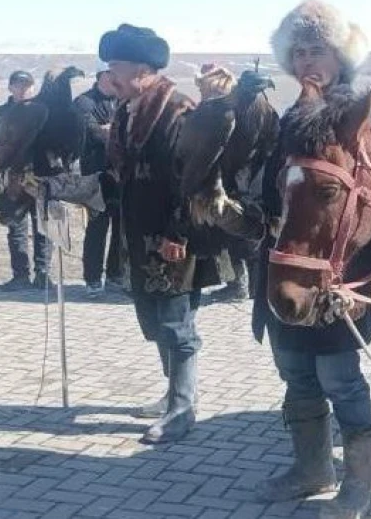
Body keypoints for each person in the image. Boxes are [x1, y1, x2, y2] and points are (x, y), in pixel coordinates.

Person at [252, 0, 371, 519]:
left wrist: (358, 283)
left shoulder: (359, 119)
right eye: (299, 52)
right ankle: (312, 469)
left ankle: (359, 488)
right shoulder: (292, 118)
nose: (308, 61)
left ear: (340, 54)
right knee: (296, 374)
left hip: (336, 280)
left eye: (318, 50)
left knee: (340, 381)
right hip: (287, 271)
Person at [99, 23, 231, 445]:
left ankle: (182, 409)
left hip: (175, 239)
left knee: (176, 326)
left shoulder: (177, 111)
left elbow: (192, 180)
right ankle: (172, 393)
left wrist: (178, 233)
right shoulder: (128, 111)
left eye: (115, 67)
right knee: (155, 321)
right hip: (139, 237)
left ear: (141, 70)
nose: (110, 76)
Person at [0, 70, 51, 291]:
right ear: (10, 87)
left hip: (40, 175)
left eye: (27, 85)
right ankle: (20, 275)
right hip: (12, 176)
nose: (23, 90)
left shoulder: (43, 111)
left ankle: (43, 274)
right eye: (19, 85)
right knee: (16, 227)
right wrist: (2, 153)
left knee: (43, 226)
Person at [194, 63, 254, 301]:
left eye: (204, 88)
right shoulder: (220, 111)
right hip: (221, 180)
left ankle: (239, 284)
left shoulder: (228, 114)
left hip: (229, 183)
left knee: (232, 234)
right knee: (223, 235)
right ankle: (235, 281)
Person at [73, 70, 121, 293]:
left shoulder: (123, 100)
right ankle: (92, 278)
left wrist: (112, 129)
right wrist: (114, 131)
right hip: (95, 175)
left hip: (120, 173)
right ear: (101, 76)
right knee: (97, 226)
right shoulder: (84, 102)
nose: (116, 78)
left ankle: (115, 274)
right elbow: (94, 133)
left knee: (121, 227)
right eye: (111, 74)